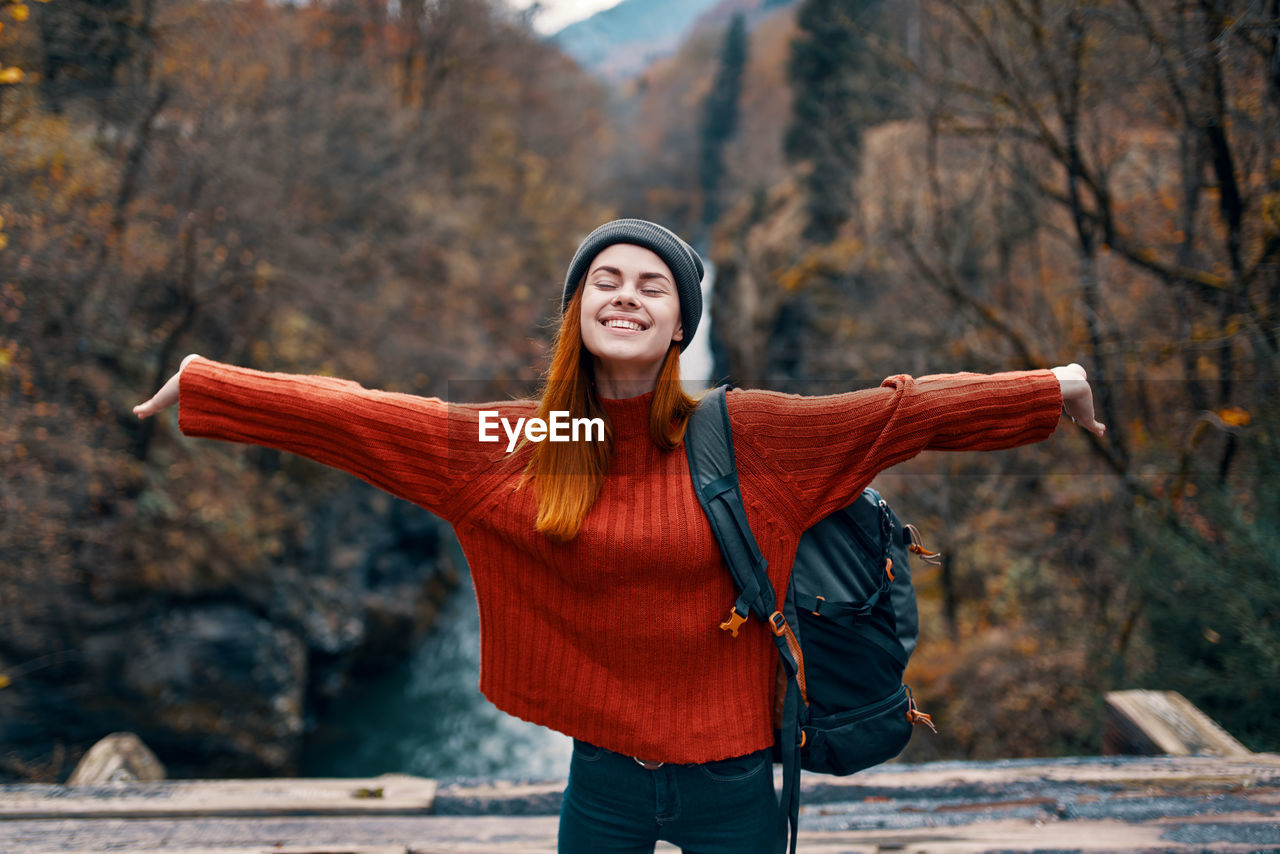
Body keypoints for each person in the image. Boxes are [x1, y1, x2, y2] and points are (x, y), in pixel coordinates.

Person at [135, 218, 1105, 854]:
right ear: (576, 309)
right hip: (600, 779)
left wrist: (1047, 387)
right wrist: (216, 387)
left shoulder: (745, 433)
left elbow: (900, 414)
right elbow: (376, 418)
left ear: (682, 320)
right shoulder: (535, 437)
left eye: (653, 282)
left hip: (734, 782)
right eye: (606, 278)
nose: (628, 293)